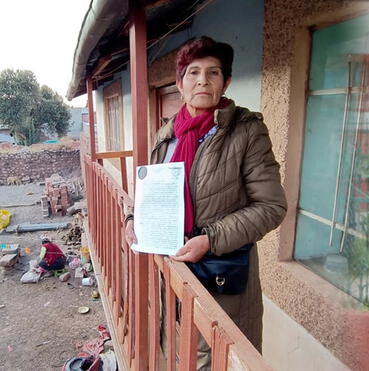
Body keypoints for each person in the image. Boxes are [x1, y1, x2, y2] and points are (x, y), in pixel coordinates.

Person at [124, 36, 287, 364]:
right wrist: (133, 219)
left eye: (213, 73)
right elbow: (151, 192)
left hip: (219, 273)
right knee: (176, 346)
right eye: (194, 72)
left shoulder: (246, 131)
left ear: (225, 83)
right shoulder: (167, 135)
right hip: (173, 269)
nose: (203, 80)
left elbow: (271, 206)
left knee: (214, 358)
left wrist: (210, 240)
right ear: (180, 83)